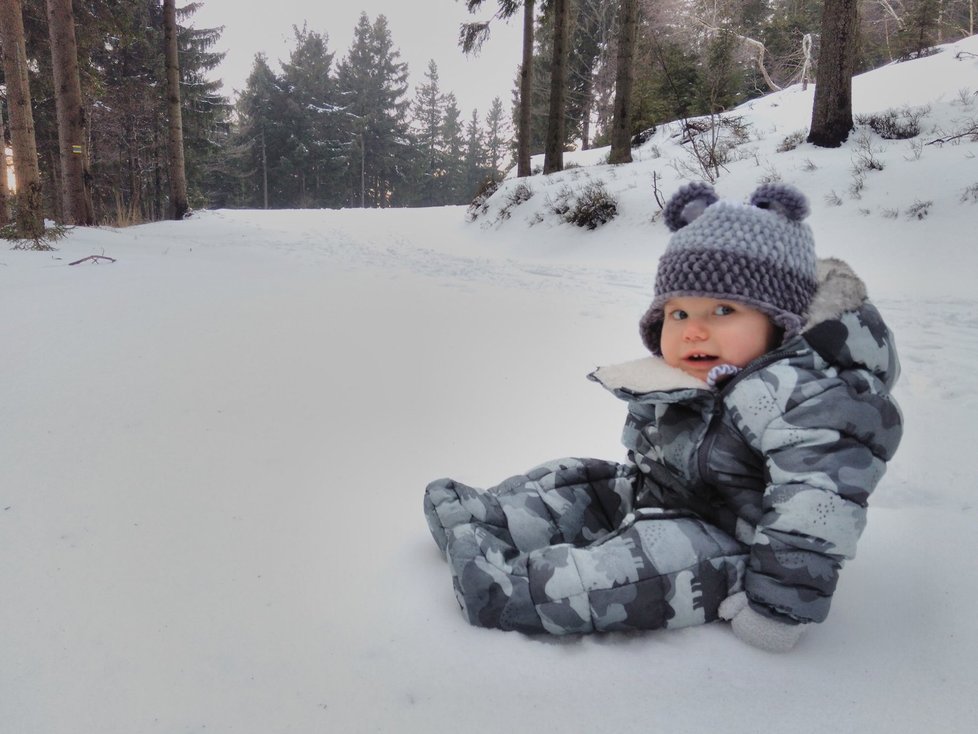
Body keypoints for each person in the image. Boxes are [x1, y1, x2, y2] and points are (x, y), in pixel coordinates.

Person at [423, 182, 903, 652]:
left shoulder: (813, 397)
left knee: (631, 568)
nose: (693, 331)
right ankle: (491, 516)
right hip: (671, 497)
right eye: (677, 314)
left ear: (781, 321)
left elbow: (815, 513)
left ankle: (510, 589)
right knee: (582, 481)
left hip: (740, 546)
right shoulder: (706, 374)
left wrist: (777, 609)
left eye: (722, 309)